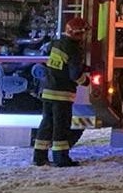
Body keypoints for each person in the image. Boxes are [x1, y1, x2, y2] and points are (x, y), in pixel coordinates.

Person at [34, 16, 89, 167]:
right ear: (78, 34)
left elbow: (61, 65)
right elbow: (74, 75)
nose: (84, 37)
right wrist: (86, 81)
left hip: (48, 91)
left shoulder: (56, 44)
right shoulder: (74, 48)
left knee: (46, 124)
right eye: (84, 34)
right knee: (61, 127)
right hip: (62, 94)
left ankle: (39, 157)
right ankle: (61, 158)